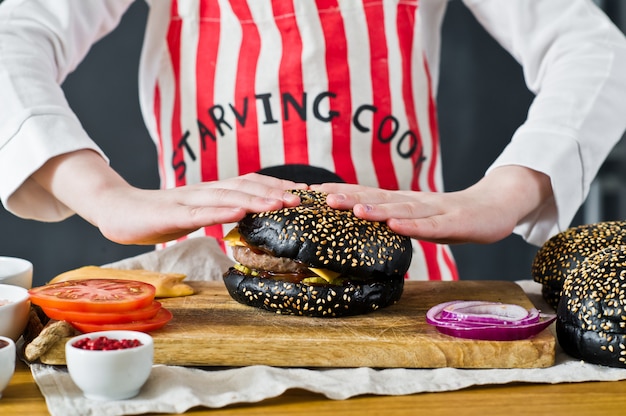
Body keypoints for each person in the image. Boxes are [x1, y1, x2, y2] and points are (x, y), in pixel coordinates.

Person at [1, 0, 625, 281]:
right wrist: (105, 195)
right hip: (199, 291)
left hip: (407, 294)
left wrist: (511, 188)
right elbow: (11, 39)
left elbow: (599, 52)